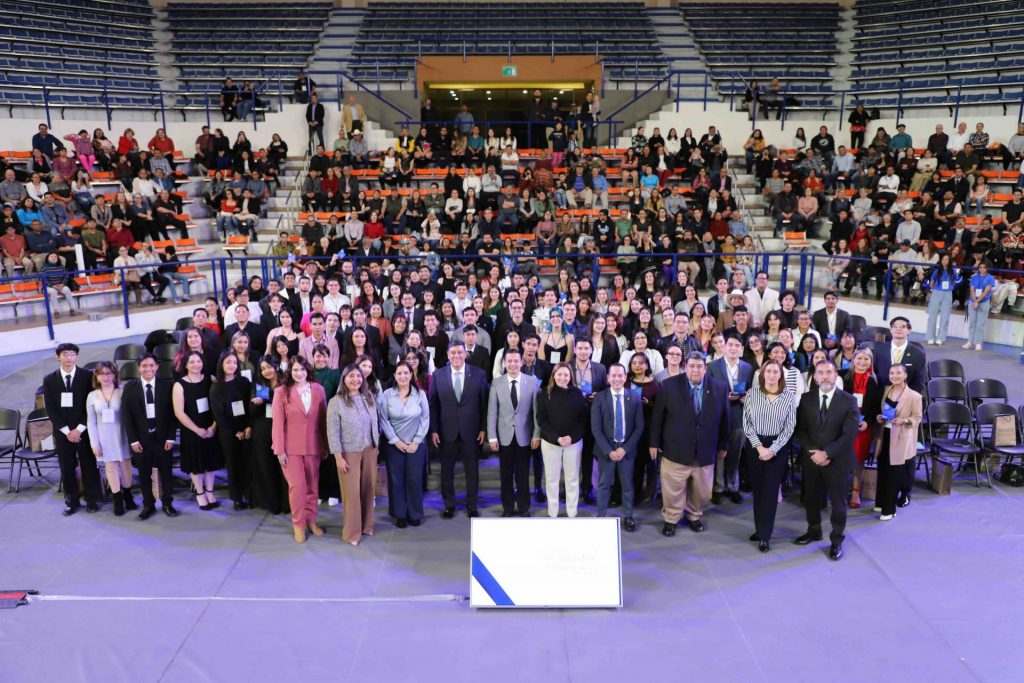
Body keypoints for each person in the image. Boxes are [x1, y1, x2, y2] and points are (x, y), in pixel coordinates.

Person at [649, 352, 731, 536]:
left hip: (705, 451)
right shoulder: (668, 385)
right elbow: (657, 417)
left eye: (699, 366)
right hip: (675, 450)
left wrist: (724, 445)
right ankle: (671, 518)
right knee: (673, 490)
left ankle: (694, 515)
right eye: (691, 366)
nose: (695, 370)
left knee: (701, 491)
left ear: (705, 368)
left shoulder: (720, 387)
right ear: (685, 367)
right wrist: (654, 442)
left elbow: (725, 419)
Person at [794, 360, 859, 561]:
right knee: (811, 499)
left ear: (835, 375)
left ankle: (837, 540)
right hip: (812, 459)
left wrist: (827, 454)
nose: (825, 376)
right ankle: (813, 531)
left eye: (828, 372)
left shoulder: (849, 401)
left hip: (837, 461)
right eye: (820, 373)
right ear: (815, 377)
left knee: (838, 504)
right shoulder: (806, 399)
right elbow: (801, 430)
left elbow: (849, 435)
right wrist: (814, 453)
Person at [429, 341, 489, 518]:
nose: (456, 356)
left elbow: (485, 405)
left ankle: (471, 504)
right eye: (453, 353)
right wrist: (434, 430)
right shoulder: (438, 375)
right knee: (446, 471)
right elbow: (433, 405)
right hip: (446, 432)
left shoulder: (479, 374)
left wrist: (483, 429)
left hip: (472, 432)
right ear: (448, 355)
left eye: (460, 352)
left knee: (472, 471)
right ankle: (449, 504)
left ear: (465, 354)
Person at [742, 359, 796, 552]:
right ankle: (759, 528)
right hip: (755, 447)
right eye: (768, 371)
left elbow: (789, 427)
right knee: (758, 490)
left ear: (781, 375)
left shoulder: (788, 396)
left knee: (770, 491)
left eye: (775, 371)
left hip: (777, 448)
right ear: (762, 374)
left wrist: (772, 449)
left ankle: (765, 535)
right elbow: (747, 424)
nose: (772, 375)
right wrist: (759, 448)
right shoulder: (752, 394)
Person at [273, 356, 329, 543]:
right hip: (290, 449)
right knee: (297, 487)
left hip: (314, 446)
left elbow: (323, 421)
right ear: (290, 371)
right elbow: (277, 423)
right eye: (295, 369)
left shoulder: (318, 389)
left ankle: (311, 520)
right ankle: (298, 524)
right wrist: (279, 450)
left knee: (313, 487)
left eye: (302, 369)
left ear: (308, 370)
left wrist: (325, 445)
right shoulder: (281, 392)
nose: (299, 373)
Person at [43, 344, 100, 515]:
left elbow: (91, 405)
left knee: (89, 465)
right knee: (66, 467)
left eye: (72, 354)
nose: (69, 358)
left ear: (77, 357)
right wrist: (67, 431)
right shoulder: (49, 379)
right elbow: (51, 409)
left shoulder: (87, 377)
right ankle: (71, 501)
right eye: (65, 354)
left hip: (84, 430)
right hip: (63, 433)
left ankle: (91, 499)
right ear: (58, 357)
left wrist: (79, 429)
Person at [327, 363, 380, 546]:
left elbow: (375, 422)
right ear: (344, 379)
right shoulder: (336, 402)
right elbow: (332, 432)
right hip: (349, 452)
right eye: (351, 376)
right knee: (351, 494)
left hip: (370, 449)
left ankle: (367, 526)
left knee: (368, 490)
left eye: (359, 376)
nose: (356, 379)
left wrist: (376, 446)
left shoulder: (368, 397)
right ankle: (352, 533)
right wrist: (338, 456)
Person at [122, 353, 179, 519]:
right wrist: (133, 440)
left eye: (152, 365)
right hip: (141, 440)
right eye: (144, 366)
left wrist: (171, 437)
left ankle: (167, 503)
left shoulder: (167, 386)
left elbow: (173, 415)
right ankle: (148, 505)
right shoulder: (130, 388)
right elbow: (127, 416)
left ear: (157, 367)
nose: (148, 369)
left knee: (166, 473)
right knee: (144, 474)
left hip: (163, 439)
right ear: (138, 367)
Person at [487, 348, 542, 517]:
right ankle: (508, 508)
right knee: (505, 475)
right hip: (504, 437)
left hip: (525, 437)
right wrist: (492, 436)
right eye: (509, 361)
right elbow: (492, 412)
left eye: (516, 361)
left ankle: (524, 507)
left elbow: (536, 412)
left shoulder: (532, 382)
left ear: (521, 362)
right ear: (504, 363)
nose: (512, 364)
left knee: (523, 475)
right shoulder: (497, 383)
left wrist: (536, 434)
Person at [591, 363, 644, 530]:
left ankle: (628, 516)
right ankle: (601, 516)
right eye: (613, 375)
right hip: (605, 450)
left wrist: (624, 449)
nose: (617, 379)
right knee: (604, 485)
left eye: (620, 375)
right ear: (608, 378)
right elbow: (596, 428)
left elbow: (639, 427)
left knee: (627, 485)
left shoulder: (634, 397)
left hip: (626, 450)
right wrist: (609, 451)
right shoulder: (600, 397)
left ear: (625, 377)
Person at [378, 361, 430, 527]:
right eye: (399, 373)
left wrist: (416, 441)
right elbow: (383, 420)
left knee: (414, 479)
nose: (403, 376)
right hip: (394, 445)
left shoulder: (420, 394)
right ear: (394, 376)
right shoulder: (387, 394)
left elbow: (425, 419)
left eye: (406, 373)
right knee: (396, 480)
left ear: (411, 374)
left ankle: (415, 513)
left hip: (416, 445)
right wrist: (395, 441)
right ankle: (399, 514)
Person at [534, 362, 588, 518]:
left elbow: (583, 419)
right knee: (552, 479)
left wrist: (572, 437)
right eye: (559, 374)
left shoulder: (577, 393)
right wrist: (556, 438)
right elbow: (541, 420)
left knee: (572, 478)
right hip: (550, 443)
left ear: (570, 376)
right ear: (554, 375)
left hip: (573, 443)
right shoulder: (544, 393)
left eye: (566, 374)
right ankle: (553, 513)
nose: (562, 378)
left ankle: (572, 512)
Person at [172, 350, 224, 511]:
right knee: (197, 463)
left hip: (210, 426)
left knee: (211, 462)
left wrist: (213, 426)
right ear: (186, 365)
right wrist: (197, 430)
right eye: (192, 362)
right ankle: (200, 493)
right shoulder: (179, 385)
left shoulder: (211, 379)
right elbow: (179, 413)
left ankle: (210, 491)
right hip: (191, 429)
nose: (196, 364)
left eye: (198, 361)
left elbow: (219, 404)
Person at [707, 334, 754, 504]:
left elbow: (751, 390)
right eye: (731, 345)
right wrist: (723, 397)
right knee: (719, 454)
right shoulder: (712, 366)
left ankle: (733, 486)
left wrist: (746, 397)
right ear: (724, 346)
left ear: (741, 349)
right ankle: (718, 487)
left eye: (737, 346)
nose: (734, 348)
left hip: (739, 414)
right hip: (718, 416)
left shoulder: (747, 368)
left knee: (735, 454)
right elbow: (707, 391)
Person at [85, 361, 136, 517]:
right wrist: (94, 443)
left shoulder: (123, 391)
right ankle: (117, 500)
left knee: (126, 465)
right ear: (96, 376)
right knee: (111, 467)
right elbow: (91, 422)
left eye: (108, 373)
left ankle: (128, 495)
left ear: (114, 375)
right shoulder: (92, 396)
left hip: (122, 434)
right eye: (101, 374)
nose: (105, 377)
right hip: (104, 437)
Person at [874, 364, 923, 521]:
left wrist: (904, 420)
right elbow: (883, 410)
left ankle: (889, 509)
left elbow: (917, 418)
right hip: (885, 434)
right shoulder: (886, 390)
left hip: (900, 437)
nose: (894, 376)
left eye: (898, 373)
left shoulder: (915, 396)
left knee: (894, 474)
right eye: (891, 373)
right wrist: (879, 417)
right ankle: (880, 503)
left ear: (905, 375)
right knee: (882, 470)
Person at [210, 351, 253, 510]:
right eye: (228, 362)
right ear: (221, 364)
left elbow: (250, 405)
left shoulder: (244, 382)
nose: (232, 365)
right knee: (233, 465)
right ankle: (237, 498)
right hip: (228, 432)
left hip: (246, 428)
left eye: (235, 362)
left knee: (248, 463)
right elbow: (218, 415)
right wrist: (235, 432)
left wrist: (248, 426)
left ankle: (250, 495)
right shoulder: (216, 387)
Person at [249, 357, 289, 515]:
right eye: (263, 369)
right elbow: (253, 413)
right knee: (266, 466)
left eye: (269, 367)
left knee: (284, 467)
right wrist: (257, 403)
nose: (267, 371)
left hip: (284, 429)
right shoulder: (261, 386)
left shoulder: (285, 383)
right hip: (264, 430)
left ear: (276, 366)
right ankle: (272, 503)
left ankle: (287, 503)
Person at [844, 349, 881, 509]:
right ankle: (839, 489)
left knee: (858, 458)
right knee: (841, 456)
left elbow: (875, 407)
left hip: (863, 425)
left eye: (866, 359)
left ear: (871, 362)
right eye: (859, 358)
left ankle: (855, 491)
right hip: (844, 424)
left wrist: (867, 422)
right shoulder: (843, 376)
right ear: (853, 360)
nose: (862, 362)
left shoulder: (874, 380)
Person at [873, 316, 926, 391]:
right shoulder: (879, 349)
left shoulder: (918, 353)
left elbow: (919, 383)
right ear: (891, 330)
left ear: (909, 330)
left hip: (907, 395)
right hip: (881, 394)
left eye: (903, 326)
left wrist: (906, 395)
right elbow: (874, 375)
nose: (898, 329)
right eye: (895, 326)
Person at [964, 261, 995, 351]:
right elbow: (972, 290)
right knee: (972, 323)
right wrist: (975, 301)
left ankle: (978, 343)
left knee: (980, 324)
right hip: (972, 301)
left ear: (987, 268)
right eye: (980, 267)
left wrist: (977, 301)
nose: (982, 269)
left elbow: (986, 291)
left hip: (983, 302)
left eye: (984, 267)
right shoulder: (974, 277)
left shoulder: (990, 278)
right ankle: (970, 342)